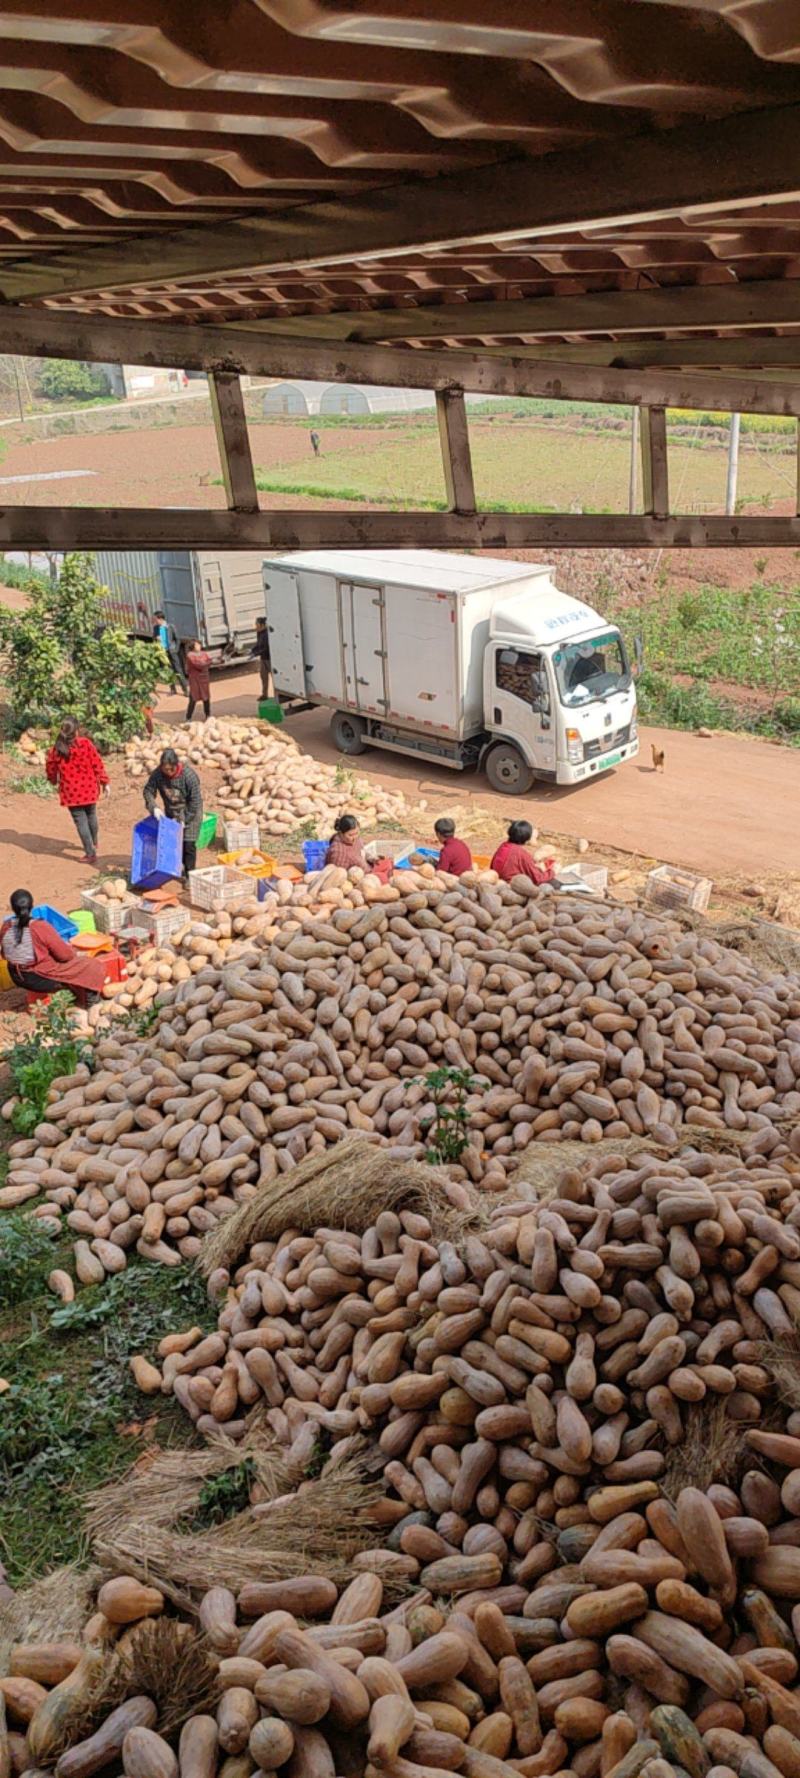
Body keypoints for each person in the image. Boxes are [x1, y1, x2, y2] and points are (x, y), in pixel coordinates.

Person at [0, 890, 108, 1004]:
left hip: (16, 976)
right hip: (39, 978)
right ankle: (91, 1001)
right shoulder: (39, 927)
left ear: (12, 908)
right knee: (91, 965)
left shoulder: (6, 927)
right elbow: (65, 956)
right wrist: (73, 951)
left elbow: (6, 954)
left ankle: (71, 991)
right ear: (32, 906)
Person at [45, 717, 110, 865]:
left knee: (80, 821)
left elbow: (51, 767)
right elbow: (97, 763)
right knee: (91, 814)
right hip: (89, 789)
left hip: (71, 792)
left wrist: (53, 779)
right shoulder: (85, 744)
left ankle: (90, 853)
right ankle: (94, 842)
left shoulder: (57, 749)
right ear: (77, 731)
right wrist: (105, 782)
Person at [143, 747, 203, 879]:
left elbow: (195, 801)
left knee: (188, 844)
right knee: (175, 843)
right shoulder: (158, 774)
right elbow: (148, 790)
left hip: (190, 812)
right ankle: (174, 868)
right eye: (165, 770)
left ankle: (189, 875)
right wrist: (154, 807)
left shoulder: (189, 776)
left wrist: (185, 819)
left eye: (171, 769)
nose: (168, 773)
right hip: (171, 812)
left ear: (177, 765)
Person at [491, 820, 554, 887]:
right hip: (511, 886)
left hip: (498, 880)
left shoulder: (503, 845)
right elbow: (537, 879)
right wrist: (552, 872)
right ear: (527, 838)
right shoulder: (520, 853)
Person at [151, 609, 188, 692]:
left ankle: (185, 689)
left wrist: (175, 649)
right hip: (163, 653)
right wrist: (156, 638)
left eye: (155, 619)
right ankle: (172, 689)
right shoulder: (155, 628)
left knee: (178, 670)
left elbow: (177, 639)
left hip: (172, 651)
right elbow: (153, 638)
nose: (155, 621)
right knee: (168, 671)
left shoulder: (170, 626)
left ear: (160, 619)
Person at [185, 639, 212, 722]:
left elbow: (209, 661)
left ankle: (208, 715)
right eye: (197, 645)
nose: (199, 646)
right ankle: (188, 717)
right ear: (193, 646)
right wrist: (206, 663)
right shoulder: (190, 655)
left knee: (206, 698)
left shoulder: (204, 653)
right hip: (195, 679)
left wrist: (206, 662)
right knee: (193, 698)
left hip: (204, 679)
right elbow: (199, 664)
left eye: (199, 645)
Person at [252, 616, 274, 701]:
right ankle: (264, 695)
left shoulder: (267, 634)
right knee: (263, 677)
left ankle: (277, 695)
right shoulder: (259, 633)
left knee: (274, 678)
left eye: (257, 624)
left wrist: (255, 653)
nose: (255, 626)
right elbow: (258, 645)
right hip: (263, 658)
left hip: (269, 659)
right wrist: (252, 650)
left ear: (262, 625)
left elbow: (266, 648)